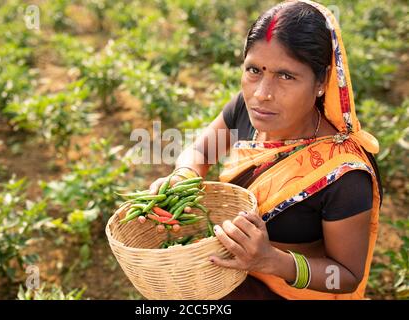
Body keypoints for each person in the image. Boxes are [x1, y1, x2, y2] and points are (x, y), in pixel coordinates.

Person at [149, 0, 383, 300]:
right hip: (230, 270)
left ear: (322, 81)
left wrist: (271, 260)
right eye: (254, 70)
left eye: (286, 76)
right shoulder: (248, 110)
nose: (262, 93)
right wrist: (182, 178)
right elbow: (201, 153)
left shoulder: (344, 176)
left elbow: (346, 276)